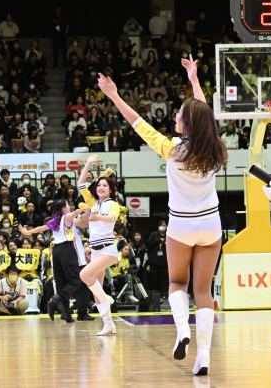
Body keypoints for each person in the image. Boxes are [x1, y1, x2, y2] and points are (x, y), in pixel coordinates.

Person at [97, 54, 228, 376]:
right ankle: (205, 355)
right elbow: (205, 115)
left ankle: (183, 329)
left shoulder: (172, 149)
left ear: (186, 123)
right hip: (211, 225)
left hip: (181, 225)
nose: (175, 117)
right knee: (204, 292)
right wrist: (194, 78)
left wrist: (113, 94)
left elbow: (136, 122)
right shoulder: (214, 147)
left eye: (180, 114)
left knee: (176, 283)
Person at [18, 199, 91, 323]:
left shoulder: (55, 220)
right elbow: (75, 214)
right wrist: (85, 207)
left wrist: (27, 232)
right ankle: (56, 300)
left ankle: (66, 313)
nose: (69, 207)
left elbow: (41, 228)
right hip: (66, 249)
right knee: (75, 281)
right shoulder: (67, 216)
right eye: (68, 205)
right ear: (63, 208)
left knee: (62, 282)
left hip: (56, 250)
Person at [77, 156, 121, 335]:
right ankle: (108, 324)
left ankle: (105, 298)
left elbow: (112, 219)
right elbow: (80, 183)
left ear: (110, 190)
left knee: (84, 274)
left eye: (105, 185)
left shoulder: (113, 204)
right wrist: (88, 164)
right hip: (95, 250)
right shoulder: (92, 203)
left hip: (108, 249)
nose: (101, 187)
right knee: (95, 291)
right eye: (99, 185)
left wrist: (97, 218)